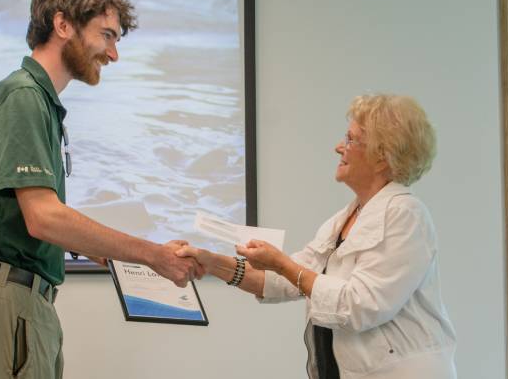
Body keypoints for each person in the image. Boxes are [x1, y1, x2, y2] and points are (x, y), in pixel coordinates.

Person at [0, 0, 202, 379]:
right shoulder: (23, 96)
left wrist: (121, 257)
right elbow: (44, 217)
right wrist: (151, 255)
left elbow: (38, 220)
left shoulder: (39, 101)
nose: (113, 53)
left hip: (22, 301)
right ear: (63, 25)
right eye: (107, 35)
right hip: (6, 300)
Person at [177, 94, 457, 379]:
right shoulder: (344, 219)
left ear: (382, 156)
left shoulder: (406, 214)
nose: (338, 147)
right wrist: (211, 263)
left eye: (350, 140)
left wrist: (282, 264)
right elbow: (280, 281)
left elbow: (359, 306)